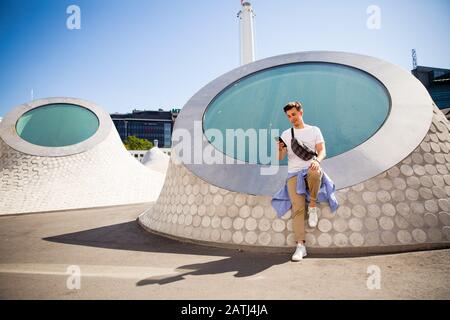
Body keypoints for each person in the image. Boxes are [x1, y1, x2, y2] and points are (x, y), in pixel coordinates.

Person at [274, 101, 333, 262]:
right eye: (288, 116)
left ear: (301, 112)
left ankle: (312, 206)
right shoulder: (286, 134)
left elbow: (322, 151)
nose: (291, 118)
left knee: (314, 170)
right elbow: (280, 158)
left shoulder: (314, 130)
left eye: (293, 114)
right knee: (298, 209)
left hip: (311, 169)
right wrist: (279, 148)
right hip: (293, 173)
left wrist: (317, 161)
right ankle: (301, 246)